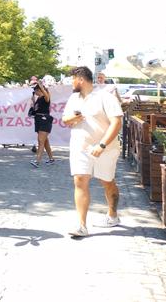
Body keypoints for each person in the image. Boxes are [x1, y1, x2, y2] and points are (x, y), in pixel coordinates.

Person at [62, 66, 123, 238]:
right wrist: (73, 118)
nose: (71, 83)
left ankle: (112, 214)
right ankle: (81, 225)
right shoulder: (74, 98)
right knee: (80, 180)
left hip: (106, 149)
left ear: (80, 79)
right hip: (80, 147)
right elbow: (65, 119)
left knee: (107, 181)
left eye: (72, 79)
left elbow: (116, 123)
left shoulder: (105, 96)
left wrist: (102, 145)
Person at [29, 81, 55, 167]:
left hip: (44, 120)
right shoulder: (38, 99)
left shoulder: (45, 97)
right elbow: (35, 110)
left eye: (35, 90)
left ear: (39, 90)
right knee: (45, 141)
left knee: (40, 141)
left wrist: (40, 85)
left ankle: (37, 161)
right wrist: (33, 102)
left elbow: (46, 94)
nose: (35, 92)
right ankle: (51, 159)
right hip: (38, 120)